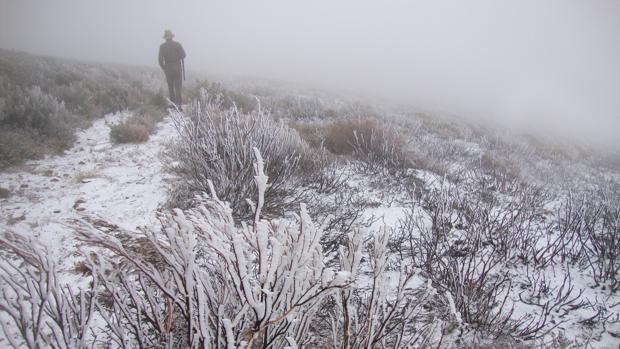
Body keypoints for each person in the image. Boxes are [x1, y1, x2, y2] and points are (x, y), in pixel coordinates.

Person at [158, 30, 186, 108]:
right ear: (172, 36)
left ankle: (173, 104)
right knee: (178, 87)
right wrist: (178, 57)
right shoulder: (177, 44)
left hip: (168, 68)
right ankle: (179, 104)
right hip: (177, 67)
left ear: (165, 38)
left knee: (170, 87)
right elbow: (183, 55)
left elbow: (160, 59)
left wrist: (164, 67)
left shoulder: (162, 46)